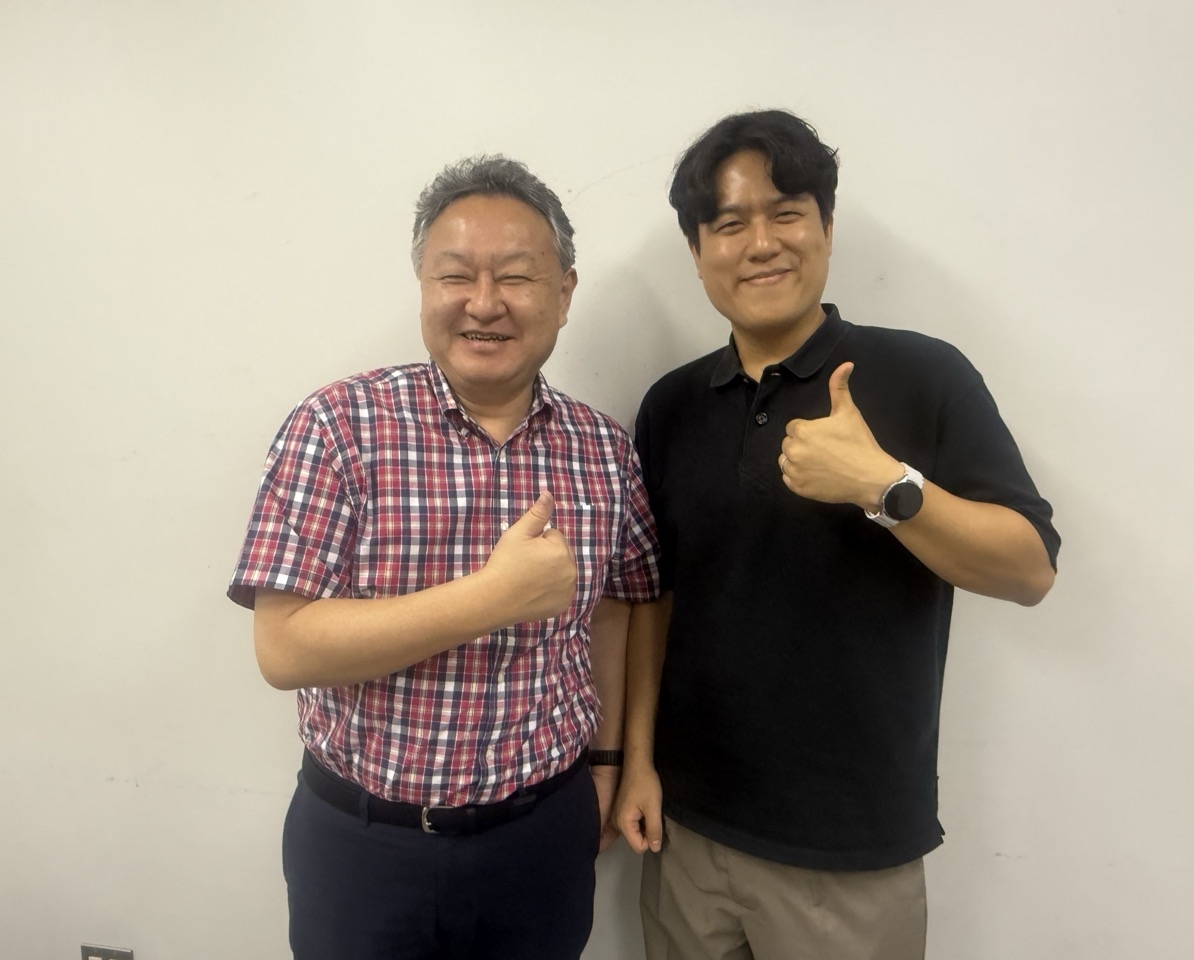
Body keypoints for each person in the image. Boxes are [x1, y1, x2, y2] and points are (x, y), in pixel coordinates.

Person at [613, 110, 1061, 959]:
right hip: (688, 833)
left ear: (825, 227)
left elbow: (1029, 570)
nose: (761, 244)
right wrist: (635, 761)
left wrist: (884, 486)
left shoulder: (922, 373)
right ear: (697, 252)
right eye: (729, 224)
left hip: (850, 853)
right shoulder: (670, 406)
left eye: (786, 213)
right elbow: (655, 600)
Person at [227, 155, 660, 960]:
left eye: (517, 276)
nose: (484, 303)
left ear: (565, 293)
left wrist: (607, 763)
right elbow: (283, 649)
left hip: (542, 834)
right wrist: (492, 598)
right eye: (455, 275)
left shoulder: (603, 449)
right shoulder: (338, 427)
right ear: (424, 287)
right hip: (363, 844)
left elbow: (617, 605)